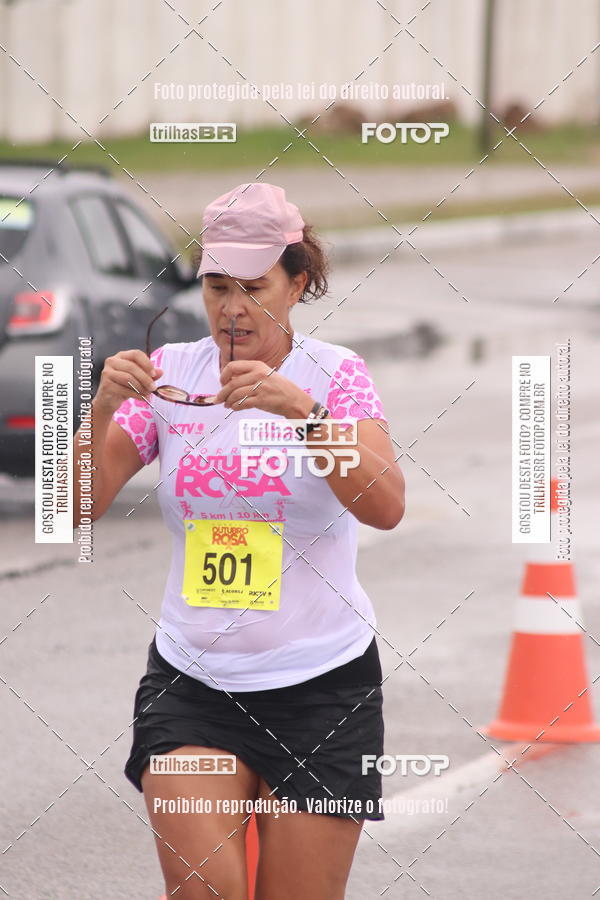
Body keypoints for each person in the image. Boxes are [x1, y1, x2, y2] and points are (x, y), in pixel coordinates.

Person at [73, 182, 405, 899]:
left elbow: (385, 506)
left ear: (297, 284)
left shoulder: (336, 375)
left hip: (324, 687)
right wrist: (100, 410)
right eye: (217, 287)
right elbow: (69, 509)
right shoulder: (170, 378)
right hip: (193, 685)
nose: (232, 308)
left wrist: (307, 416)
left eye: (253, 288)